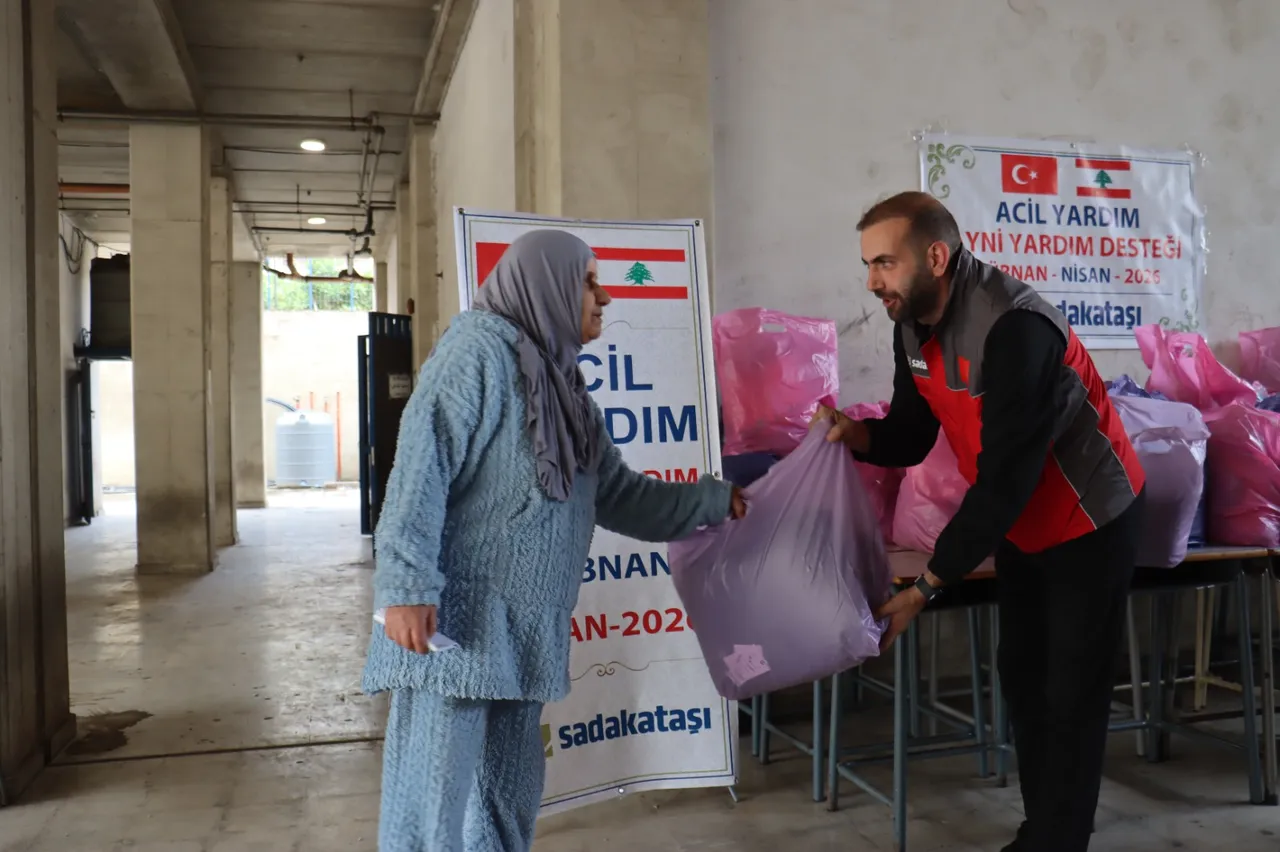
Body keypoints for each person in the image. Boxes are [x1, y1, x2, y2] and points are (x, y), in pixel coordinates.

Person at [363, 229, 745, 852]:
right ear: (548, 285)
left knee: (505, 805)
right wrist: (405, 587)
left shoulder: (565, 389)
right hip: (451, 634)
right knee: (429, 813)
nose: (605, 296)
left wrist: (710, 500)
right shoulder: (476, 353)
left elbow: (618, 495)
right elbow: (418, 468)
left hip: (521, 635)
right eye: (589, 281)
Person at [816, 192, 1145, 852]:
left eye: (885, 262)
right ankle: (1041, 831)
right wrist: (857, 436)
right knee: (1023, 678)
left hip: (1090, 520)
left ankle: (1058, 841)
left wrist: (930, 585)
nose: (873, 280)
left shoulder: (1015, 328)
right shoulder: (910, 321)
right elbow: (912, 434)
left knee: (1070, 694)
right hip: (1023, 523)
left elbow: (1006, 478)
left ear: (935, 256)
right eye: (867, 265)